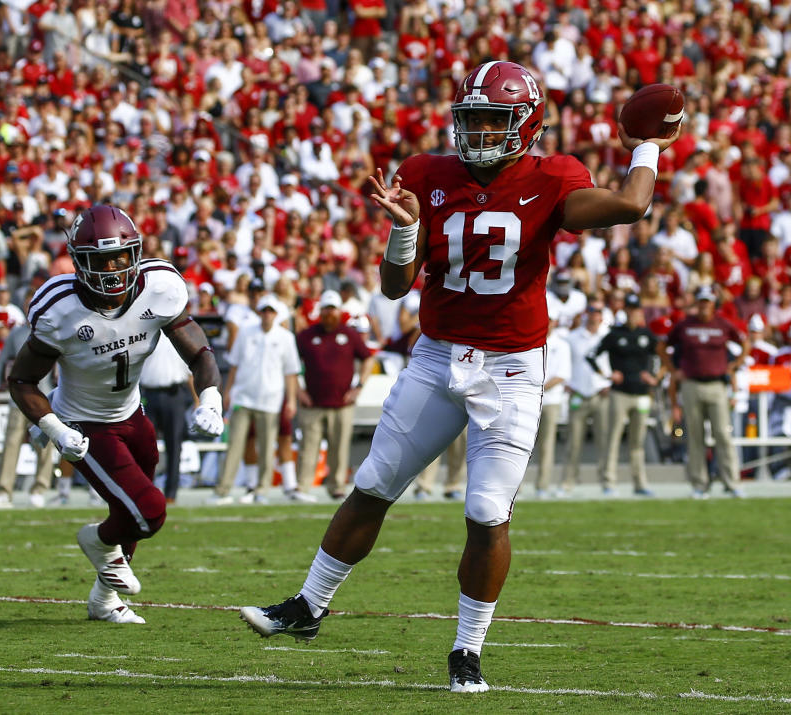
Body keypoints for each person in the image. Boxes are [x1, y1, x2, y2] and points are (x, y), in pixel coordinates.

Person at [239, 61, 678, 693]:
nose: (478, 132)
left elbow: (632, 205)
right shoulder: (425, 173)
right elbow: (394, 287)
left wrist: (645, 149)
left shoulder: (553, 176)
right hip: (438, 354)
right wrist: (405, 229)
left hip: (510, 364)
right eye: (469, 119)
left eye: (492, 120)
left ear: (525, 124)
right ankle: (308, 606)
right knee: (373, 482)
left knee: (485, 509)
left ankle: (466, 650)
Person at [7, 205, 223, 624]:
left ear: (136, 254)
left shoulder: (159, 287)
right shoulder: (60, 309)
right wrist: (53, 428)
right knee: (148, 510)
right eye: (100, 260)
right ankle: (96, 540)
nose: (112, 270)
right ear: (77, 261)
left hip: (131, 412)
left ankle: (105, 599)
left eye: (120, 257)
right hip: (83, 423)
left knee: (132, 510)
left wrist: (211, 398)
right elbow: (21, 381)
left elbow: (199, 351)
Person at [210, 295, 300, 504]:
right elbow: (234, 365)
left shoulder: (285, 337)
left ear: (276, 314)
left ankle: (261, 491)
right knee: (234, 445)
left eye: (270, 311)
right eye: (264, 310)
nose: (267, 314)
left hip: (271, 399)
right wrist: (229, 391)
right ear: (259, 312)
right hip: (243, 397)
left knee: (268, 447)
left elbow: (291, 372)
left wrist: (292, 400)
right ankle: (223, 490)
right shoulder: (246, 332)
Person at [663, 285, 748, 498]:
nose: (704, 305)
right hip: (691, 384)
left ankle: (732, 482)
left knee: (723, 434)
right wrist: (674, 371)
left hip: (717, 385)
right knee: (694, 436)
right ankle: (699, 484)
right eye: (701, 301)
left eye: (708, 302)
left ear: (713, 304)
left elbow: (744, 342)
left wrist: (734, 365)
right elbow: (662, 347)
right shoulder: (684, 325)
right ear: (697, 303)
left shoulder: (722, 324)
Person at [294, 290, 375, 502]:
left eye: (333, 308)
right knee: (308, 447)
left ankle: (337, 486)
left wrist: (359, 386)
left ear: (339, 311)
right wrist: (298, 390)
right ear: (320, 311)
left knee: (339, 449)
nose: (329, 313)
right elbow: (290, 364)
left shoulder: (349, 335)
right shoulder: (307, 336)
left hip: (342, 403)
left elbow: (368, 359)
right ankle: (303, 486)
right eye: (326, 308)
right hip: (313, 402)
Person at [0, 297, 56, 509]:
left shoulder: (53, 333)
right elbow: (0, 365)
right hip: (19, 399)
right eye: (28, 305)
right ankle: (4, 491)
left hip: (45, 398)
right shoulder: (15, 335)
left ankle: (40, 489)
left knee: (44, 446)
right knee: (11, 444)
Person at [591, 293, 662, 496]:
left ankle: (640, 483)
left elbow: (663, 356)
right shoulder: (615, 334)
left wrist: (655, 377)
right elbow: (592, 355)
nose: (633, 313)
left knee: (637, 441)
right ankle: (608, 482)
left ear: (640, 311)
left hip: (641, 393)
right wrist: (606, 374)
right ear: (626, 311)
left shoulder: (646, 334)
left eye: (635, 309)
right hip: (619, 394)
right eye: (629, 309)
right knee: (613, 437)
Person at [561, 303, 612, 494]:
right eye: (592, 311)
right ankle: (568, 481)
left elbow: (614, 361)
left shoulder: (609, 335)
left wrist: (609, 383)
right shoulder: (572, 338)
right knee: (573, 441)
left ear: (602, 315)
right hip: (578, 393)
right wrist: (568, 383)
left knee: (604, 440)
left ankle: (606, 482)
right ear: (586, 314)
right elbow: (566, 363)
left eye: (598, 311)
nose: (594, 315)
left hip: (602, 392)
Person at [139, 334, 193, 504]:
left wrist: (197, 399)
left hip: (174, 394)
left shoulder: (182, 335)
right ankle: (145, 490)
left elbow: (190, 372)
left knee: (174, 445)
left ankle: (171, 493)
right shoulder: (147, 331)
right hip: (149, 393)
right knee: (146, 446)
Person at [532, 316, 571, 498]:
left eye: (550, 320)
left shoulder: (561, 345)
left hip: (550, 400)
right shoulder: (530, 341)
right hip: (529, 400)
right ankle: (515, 487)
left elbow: (562, 374)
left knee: (547, 445)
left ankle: (542, 485)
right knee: (520, 444)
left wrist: (538, 387)